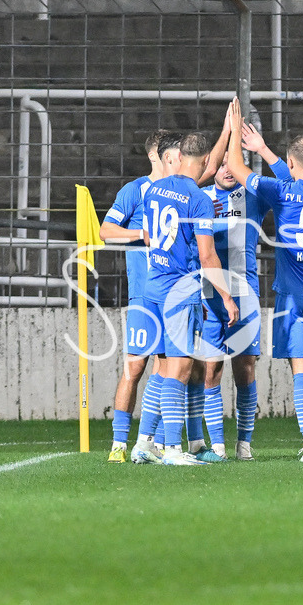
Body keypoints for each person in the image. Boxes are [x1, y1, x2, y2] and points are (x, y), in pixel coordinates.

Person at [225, 98, 303, 462]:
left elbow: (235, 165)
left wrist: (237, 133)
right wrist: (273, 153)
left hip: (292, 296)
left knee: (301, 367)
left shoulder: (280, 191)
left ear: (292, 163)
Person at [135, 131, 239, 466]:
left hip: (152, 285)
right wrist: (226, 296)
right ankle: (173, 451)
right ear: (206, 160)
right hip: (179, 290)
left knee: (163, 368)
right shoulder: (199, 199)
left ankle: (143, 445)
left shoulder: (154, 188)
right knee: (180, 370)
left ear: (178, 157)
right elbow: (208, 257)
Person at [199, 126, 291, 460]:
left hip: (245, 294)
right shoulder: (201, 197)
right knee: (211, 370)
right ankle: (217, 446)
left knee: (245, 369)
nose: (226, 170)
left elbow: (290, 185)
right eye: (219, 164)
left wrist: (264, 149)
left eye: (231, 163)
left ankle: (244, 444)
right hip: (208, 295)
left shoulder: (252, 195)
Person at [98, 129, 169, 463]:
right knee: (134, 367)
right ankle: (118, 444)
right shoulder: (135, 190)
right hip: (143, 295)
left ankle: (153, 442)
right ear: (155, 155)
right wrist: (142, 234)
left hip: (174, 295)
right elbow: (106, 230)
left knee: (167, 368)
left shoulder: (181, 191)